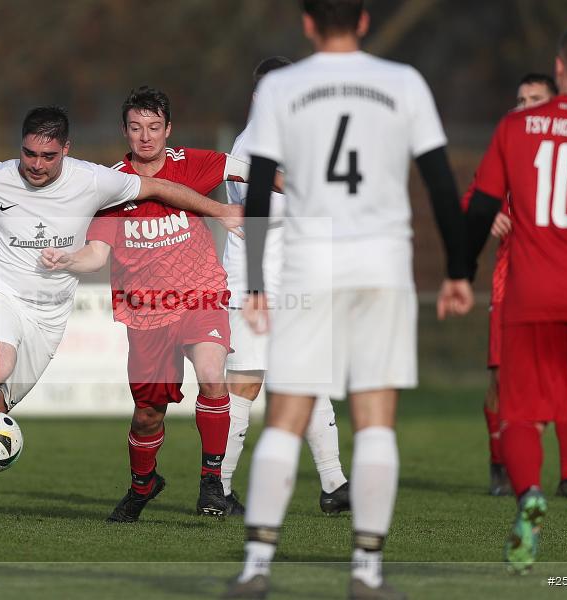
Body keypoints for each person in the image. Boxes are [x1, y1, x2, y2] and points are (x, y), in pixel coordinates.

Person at [0, 106, 242, 525]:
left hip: (49, 314)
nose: (36, 164)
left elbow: (160, 187)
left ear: (65, 150)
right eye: (29, 154)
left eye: (48, 156)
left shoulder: (93, 180)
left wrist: (218, 210)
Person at [224, 1, 474, 598]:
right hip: (381, 266)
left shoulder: (281, 88)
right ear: (364, 21)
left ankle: (257, 566)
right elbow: (441, 182)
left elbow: (255, 189)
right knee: (376, 420)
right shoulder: (403, 82)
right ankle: (366, 570)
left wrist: (254, 280)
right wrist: (460, 269)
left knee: (285, 416)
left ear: (308, 24)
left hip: (309, 268)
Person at [40, 86, 267, 521]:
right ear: (124, 131)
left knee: (212, 375)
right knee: (148, 414)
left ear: (168, 129)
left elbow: (245, 169)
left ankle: (212, 482)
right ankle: (143, 483)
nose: (146, 137)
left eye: (154, 127)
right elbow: (97, 255)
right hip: (146, 312)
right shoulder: (111, 187)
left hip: (201, 294)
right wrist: (69, 259)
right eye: (136, 127)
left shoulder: (191, 164)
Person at [465, 19, 567, 577]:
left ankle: (529, 492)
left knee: (521, 414)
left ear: (558, 68)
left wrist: (459, 271)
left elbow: (481, 203)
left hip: (529, 293)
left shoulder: (517, 127)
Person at [220, 56, 349, 517]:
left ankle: (334, 484)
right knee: (245, 384)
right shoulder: (251, 142)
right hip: (251, 283)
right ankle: (218, 487)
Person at [466, 73, 567, 499]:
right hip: (513, 283)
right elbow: (473, 198)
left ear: (553, 104)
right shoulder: (509, 145)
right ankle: (500, 464)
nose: (524, 107)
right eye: (520, 100)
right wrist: (489, 214)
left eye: (534, 99)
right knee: (505, 381)